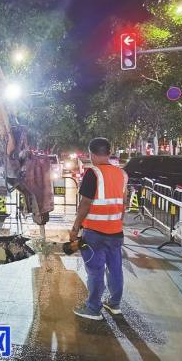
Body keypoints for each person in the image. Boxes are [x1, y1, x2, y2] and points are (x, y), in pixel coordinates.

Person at [69, 137, 128, 320]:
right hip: (116, 231)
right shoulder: (122, 174)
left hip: (94, 232)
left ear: (92, 154)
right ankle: (114, 304)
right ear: (109, 153)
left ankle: (93, 309)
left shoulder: (92, 173)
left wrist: (75, 227)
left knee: (95, 270)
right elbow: (123, 204)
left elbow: (85, 203)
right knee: (115, 268)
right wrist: (117, 221)